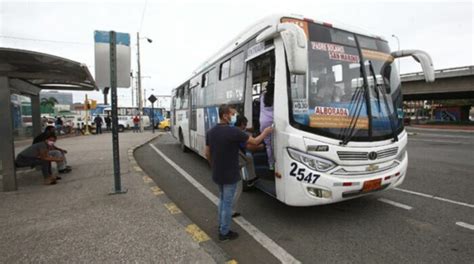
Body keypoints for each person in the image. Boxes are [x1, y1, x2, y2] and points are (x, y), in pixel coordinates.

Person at [205, 104, 272, 241]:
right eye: (233, 114)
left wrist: (214, 166)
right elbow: (255, 141)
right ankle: (224, 232)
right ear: (225, 116)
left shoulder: (211, 132)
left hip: (218, 173)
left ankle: (221, 226)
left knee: (223, 200)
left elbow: (207, 153)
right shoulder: (233, 132)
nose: (234, 116)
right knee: (227, 204)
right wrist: (266, 132)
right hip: (230, 173)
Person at [232, 115, 263, 218]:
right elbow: (251, 145)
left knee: (249, 158)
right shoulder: (240, 133)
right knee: (237, 189)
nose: (245, 127)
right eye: (245, 125)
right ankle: (230, 211)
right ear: (241, 124)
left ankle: (251, 178)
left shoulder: (232, 128)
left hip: (229, 161)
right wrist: (264, 144)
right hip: (235, 162)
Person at [259, 82, 275, 170]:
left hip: (263, 122)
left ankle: (271, 164)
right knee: (276, 143)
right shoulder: (276, 96)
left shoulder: (262, 96)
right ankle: (278, 162)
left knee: (268, 145)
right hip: (274, 121)